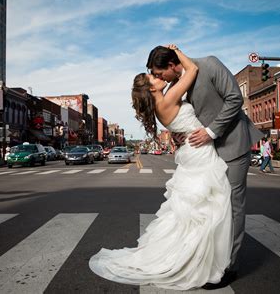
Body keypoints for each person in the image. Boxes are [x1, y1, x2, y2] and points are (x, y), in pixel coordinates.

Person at [90, 45, 261, 291]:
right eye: (154, 77)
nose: (159, 78)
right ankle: (209, 259)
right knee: (211, 207)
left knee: (229, 207)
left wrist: (207, 132)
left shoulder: (209, 65)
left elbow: (235, 99)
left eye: (158, 73)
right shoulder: (172, 90)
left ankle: (228, 266)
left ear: (170, 66)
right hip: (201, 151)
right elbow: (188, 102)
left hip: (230, 145)